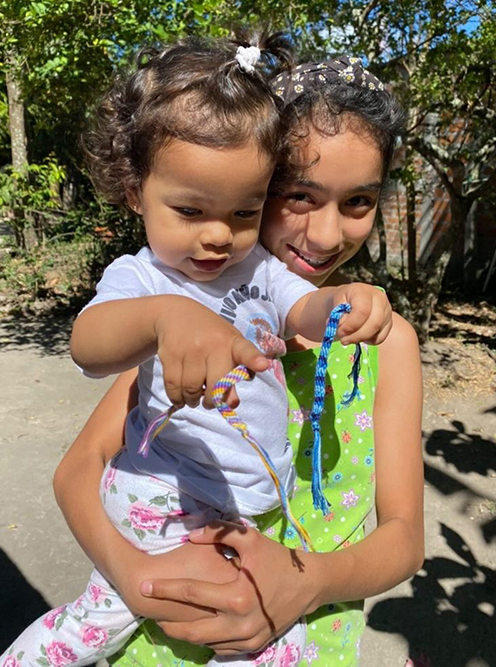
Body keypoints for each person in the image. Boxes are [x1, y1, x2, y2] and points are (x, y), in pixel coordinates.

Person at [1, 39, 395, 667]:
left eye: (244, 209)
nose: (218, 234)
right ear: (136, 193)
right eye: (297, 197)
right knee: (96, 624)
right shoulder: (154, 282)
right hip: (166, 502)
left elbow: (304, 308)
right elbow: (88, 344)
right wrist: (163, 320)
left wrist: (345, 302)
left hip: (249, 521)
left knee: (266, 643)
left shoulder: (259, 270)